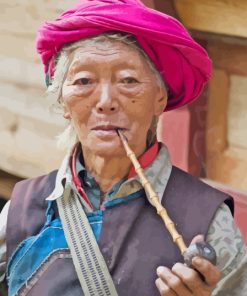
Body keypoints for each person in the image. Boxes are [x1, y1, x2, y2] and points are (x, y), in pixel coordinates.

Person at [0, 0, 246, 295]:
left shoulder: (209, 223)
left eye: (128, 80)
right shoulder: (20, 210)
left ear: (160, 98)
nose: (105, 101)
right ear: (63, 101)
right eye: (84, 81)